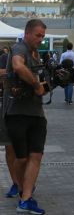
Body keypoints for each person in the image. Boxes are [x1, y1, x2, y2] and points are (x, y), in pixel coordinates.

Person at [3, 19, 48, 214]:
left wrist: (46, 85)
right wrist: (37, 86)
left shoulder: (35, 54)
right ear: (27, 33)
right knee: (21, 158)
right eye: (38, 35)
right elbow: (18, 67)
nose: (41, 39)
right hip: (17, 113)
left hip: (37, 114)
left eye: (43, 36)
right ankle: (22, 190)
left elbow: (40, 85)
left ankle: (26, 198)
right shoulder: (19, 48)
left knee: (36, 156)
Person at [0, 49, 20, 198]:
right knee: (9, 148)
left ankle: (24, 182)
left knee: (27, 151)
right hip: (6, 107)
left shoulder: (33, 56)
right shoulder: (5, 57)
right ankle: (15, 182)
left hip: (25, 109)